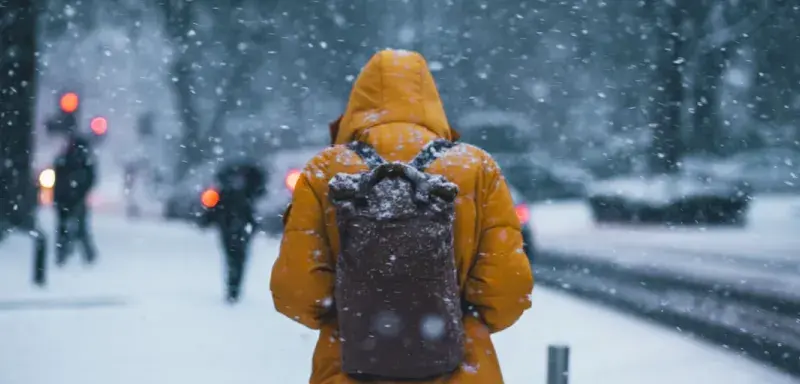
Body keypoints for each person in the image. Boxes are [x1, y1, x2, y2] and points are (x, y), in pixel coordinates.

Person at [270, 49, 534, 384]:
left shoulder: (326, 171)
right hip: (461, 370)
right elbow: (508, 291)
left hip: (346, 368)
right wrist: (449, 321)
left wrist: (356, 316)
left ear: (357, 104)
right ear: (431, 100)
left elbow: (296, 293)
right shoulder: (475, 168)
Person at [200, 160, 266, 304]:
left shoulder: (227, 190)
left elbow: (213, 208)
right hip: (239, 226)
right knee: (238, 257)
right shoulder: (247, 190)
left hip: (230, 226)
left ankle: (233, 287)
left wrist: (207, 220)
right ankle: (234, 287)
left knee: (232, 257)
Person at [53, 134, 97, 266]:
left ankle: (63, 253)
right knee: (79, 228)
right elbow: (90, 179)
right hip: (73, 198)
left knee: (66, 227)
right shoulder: (83, 161)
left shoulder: (65, 159)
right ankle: (85, 254)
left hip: (66, 198)